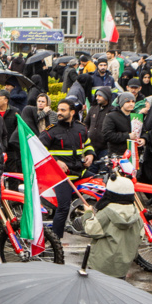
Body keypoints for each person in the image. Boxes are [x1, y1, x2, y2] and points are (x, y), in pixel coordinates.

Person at [41, 101, 95, 238]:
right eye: (58, 110)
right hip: (61, 176)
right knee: (63, 208)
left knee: (102, 187)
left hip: (80, 171)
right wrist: (56, 162)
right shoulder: (51, 131)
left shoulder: (81, 128)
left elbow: (87, 144)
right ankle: (55, 241)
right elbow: (39, 150)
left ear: (72, 112)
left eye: (63, 110)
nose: (59, 112)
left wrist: (90, 154)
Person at [84, 174, 143, 278]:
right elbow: (140, 236)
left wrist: (88, 214)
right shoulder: (136, 215)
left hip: (101, 266)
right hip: (122, 267)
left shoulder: (106, 213)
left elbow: (91, 229)